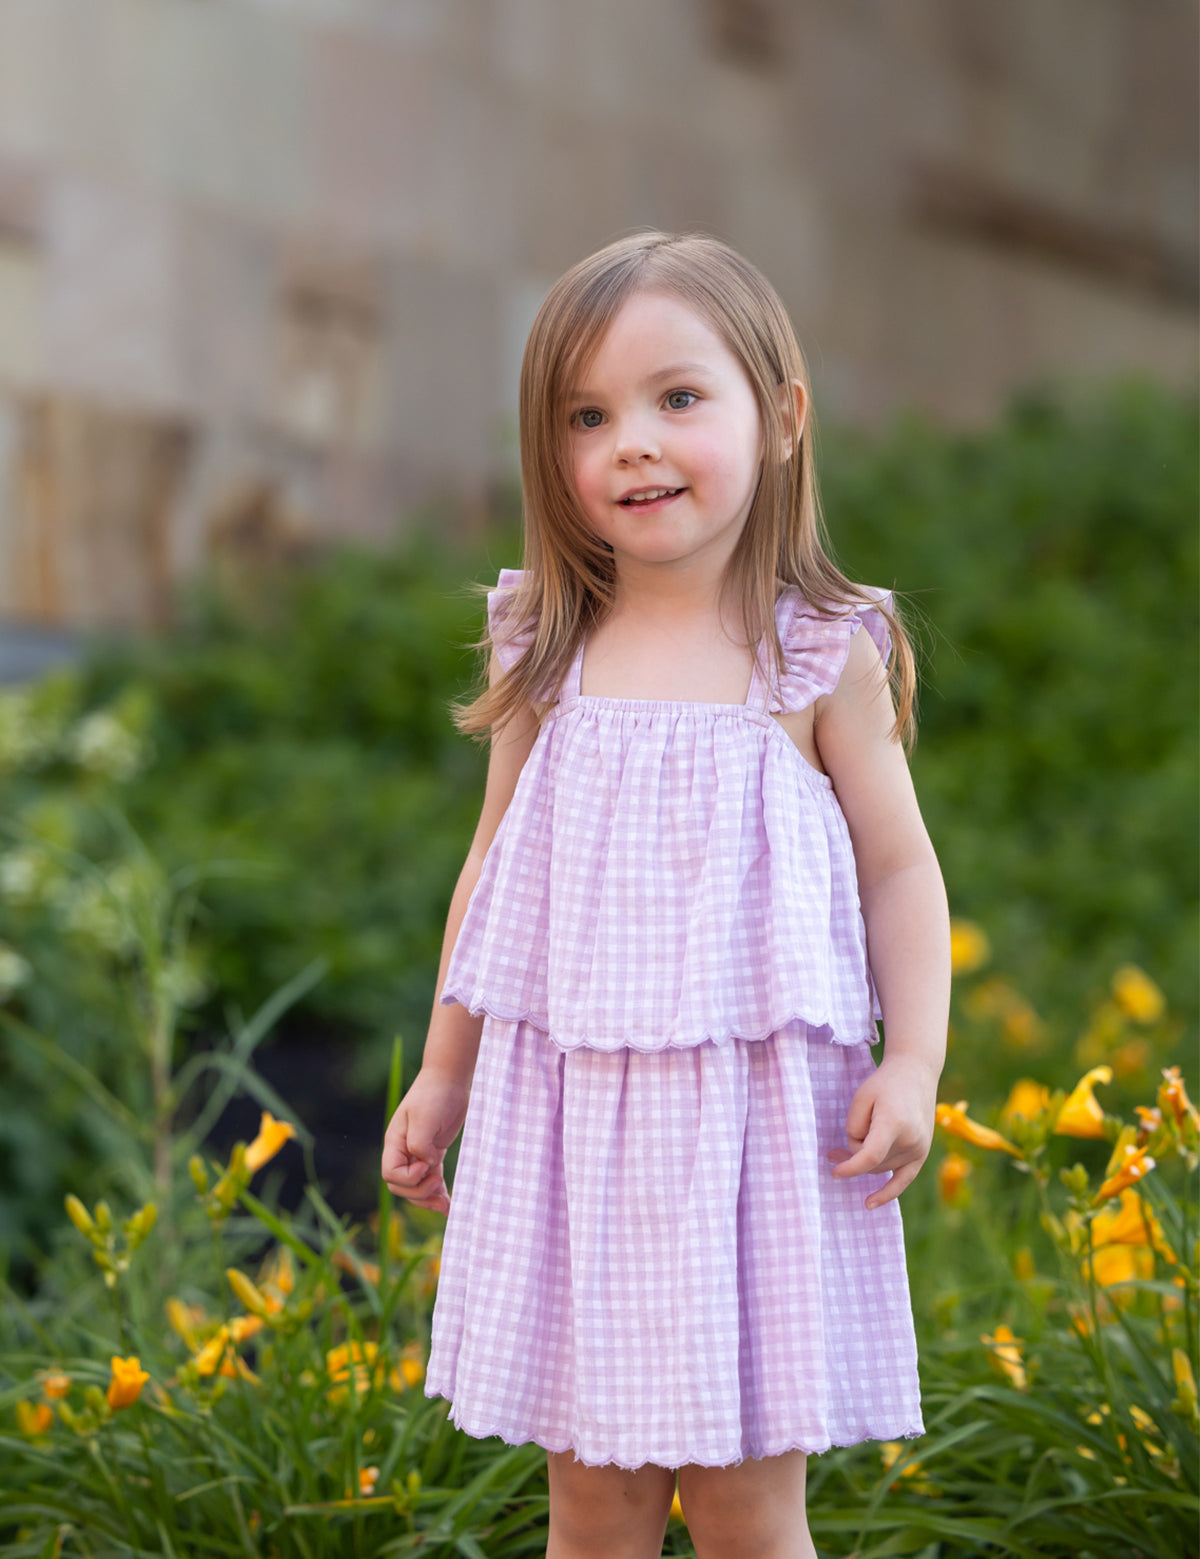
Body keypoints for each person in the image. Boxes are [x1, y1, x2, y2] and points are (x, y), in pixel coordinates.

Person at [382, 229, 950, 1559]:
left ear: (784, 415)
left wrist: (915, 1058)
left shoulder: (815, 655)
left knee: (750, 1506)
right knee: (594, 1503)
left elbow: (900, 865)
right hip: (577, 1128)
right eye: (589, 416)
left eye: (677, 398)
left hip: (756, 1137)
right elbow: (493, 871)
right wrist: (443, 1073)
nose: (631, 441)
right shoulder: (547, 645)